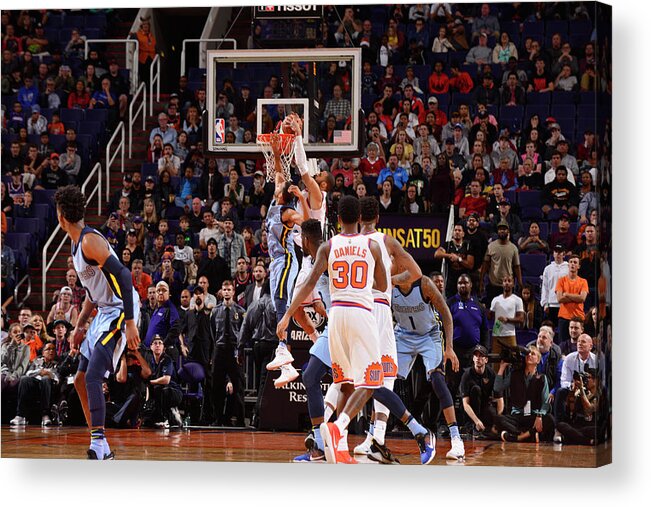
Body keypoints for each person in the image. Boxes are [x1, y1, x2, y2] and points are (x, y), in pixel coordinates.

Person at [277, 196, 437, 465]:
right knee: (373, 382)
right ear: (366, 218)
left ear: (338, 219)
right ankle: (344, 429)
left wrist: (286, 316)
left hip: (337, 316)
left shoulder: (328, 246)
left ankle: (335, 444)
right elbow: (384, 284)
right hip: (366, 313)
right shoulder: (376, 245)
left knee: (344, 383)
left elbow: (308, 285)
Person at [53, 185, 140, 458]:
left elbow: (125, 277)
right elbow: (94, 291)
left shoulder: (90, 241)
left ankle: (99, 443)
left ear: (60, 217)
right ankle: (99, 442)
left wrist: (130, 322)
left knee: (93, 376)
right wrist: (79, 326)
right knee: (79, 379)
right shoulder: (76, 242)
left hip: (120, 309)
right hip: (104, 310)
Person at [354, 197, 425, 461]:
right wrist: (390, 282)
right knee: (385, 373)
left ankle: (369, 436)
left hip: (353, 307)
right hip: (379, 308)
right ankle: (379, 435)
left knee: (358, 374)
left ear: (359, 217)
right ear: (378, 218)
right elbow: (416, 272)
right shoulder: (386, 241)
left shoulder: (347, 241)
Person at [391, 273, 465, 460]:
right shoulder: (388, 284)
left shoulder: (424, 284)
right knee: (385, 381)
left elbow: (446, 314)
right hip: (402, 335)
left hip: (429, 335)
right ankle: (374, 434)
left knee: (437, 380)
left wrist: (449, 348)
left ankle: (456, 439)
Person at [494, 345, 555, 442]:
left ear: (538, 360)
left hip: (533, 415)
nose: (529, 355)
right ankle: (526, 435)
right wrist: (502, 368)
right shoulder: (515, 373)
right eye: (527, 353)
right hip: (518, 415)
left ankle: (515, 436)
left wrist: (539, 416)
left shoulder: (542, 378)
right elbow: (497, 388)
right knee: (498, 419)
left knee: (550, 419)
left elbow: (546, 403)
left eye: (533, 354)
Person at [210, 280, 245, 426]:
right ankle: (218, 418)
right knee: (216, 385)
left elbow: (243, 333)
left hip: (234, 350)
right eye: (224, 289)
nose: (226, 292)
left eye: (229, 289)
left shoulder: (240, 311)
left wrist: (240, 351)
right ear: (221, 291)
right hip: (220, 348)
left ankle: (239, 419)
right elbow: (212, 331)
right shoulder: (215, 311)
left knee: (237, 385)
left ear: (233, 292)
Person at [9, 342, 59, 426]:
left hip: (50, 384)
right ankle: (20, 415)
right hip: (36, 382)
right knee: (24, 379)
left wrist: (49, 374)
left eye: (53, 349)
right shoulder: (37, 361)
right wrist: (39, 371)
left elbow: (58, 378)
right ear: (43, 352)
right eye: (48, 349)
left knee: (45, 379)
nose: (51, 351)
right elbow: (28, 373)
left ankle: (45, 415)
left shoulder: (57, 363)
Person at [459, 345, 503, 437]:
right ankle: (471, 426)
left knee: (492, 414)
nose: (478, 358)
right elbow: (465, 404)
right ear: (473, 358)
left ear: (486, 360)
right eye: (476, 356)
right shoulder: (467, 375)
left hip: (485, 404)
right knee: (476, 389)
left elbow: (500, 399)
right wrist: (476, 421)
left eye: (481, 356)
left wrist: (497, 420)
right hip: (470, 409)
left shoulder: (491, 373)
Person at [479, 220, 523, 303]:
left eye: (504, 229)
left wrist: (520, 284)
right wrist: (481, 281)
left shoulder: (513, 248)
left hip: (508, 286)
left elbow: (517, 267)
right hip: (493, 285)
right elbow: (485, 264)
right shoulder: (491, 246)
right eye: (500, 229)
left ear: (508, 231)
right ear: (497, 231)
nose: (502, 231)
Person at [146, 335, 183, 428]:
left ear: (164, 347)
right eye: (155, 343)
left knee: (161, 389)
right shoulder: (149, 361)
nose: (157, 345)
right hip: (158, 391)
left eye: (160, 343)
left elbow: (166, 380)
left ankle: (165, 418)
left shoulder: (167, 359)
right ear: (151, 347)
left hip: (173, 391)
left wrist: (150, 382)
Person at [488, 274, 524, 359]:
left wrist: (507, 320)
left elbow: (521, 318)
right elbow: (490, 316)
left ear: (513, 284)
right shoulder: (495, 299)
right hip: (496, 334)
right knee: (495, 361)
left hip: (509, 334)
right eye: (505, 281)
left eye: (509, 281)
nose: (507, 283)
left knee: (513, 361)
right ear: (502, 284)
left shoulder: (517, 300)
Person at [556, 255, 589, 345]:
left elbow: (582, 298)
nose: (572, 264)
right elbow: (559, 299)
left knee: (579, 344)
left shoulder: (583, 281)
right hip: (564, 317)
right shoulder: (561, 280)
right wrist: (575, 297)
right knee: (563, 345)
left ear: (578, 266)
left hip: (579, 318)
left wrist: (567, 294)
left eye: (575, 262)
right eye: (570, 262)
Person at [435, 223, 474, 297]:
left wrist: (458, 259)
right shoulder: (448, 245)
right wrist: (449, 255)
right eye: (455, 230)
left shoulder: (468, 246)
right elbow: (437, 254)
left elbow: (470, 265)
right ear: (453, 233)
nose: (457, 232)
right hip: (450, 281)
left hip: (463, 281)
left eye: (459, 230)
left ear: (463, 234)